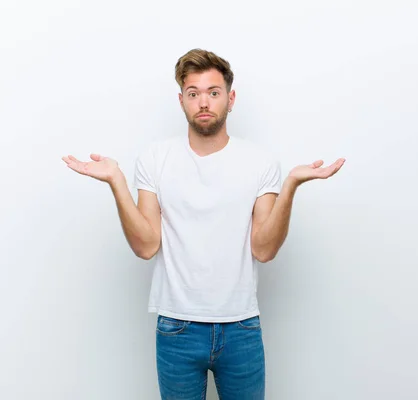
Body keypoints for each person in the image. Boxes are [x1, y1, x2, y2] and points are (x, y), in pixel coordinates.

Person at [62, 48, 345, 400]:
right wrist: (116, 181)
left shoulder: (260, 162)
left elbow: (265, 248)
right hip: (176, 328)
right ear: (182, 100)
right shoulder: (155, 158)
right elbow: (146, 245)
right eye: (194, 93)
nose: (204, 102)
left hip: (241, 327)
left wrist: (290, 186)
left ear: (231, 97)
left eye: (213, 92)